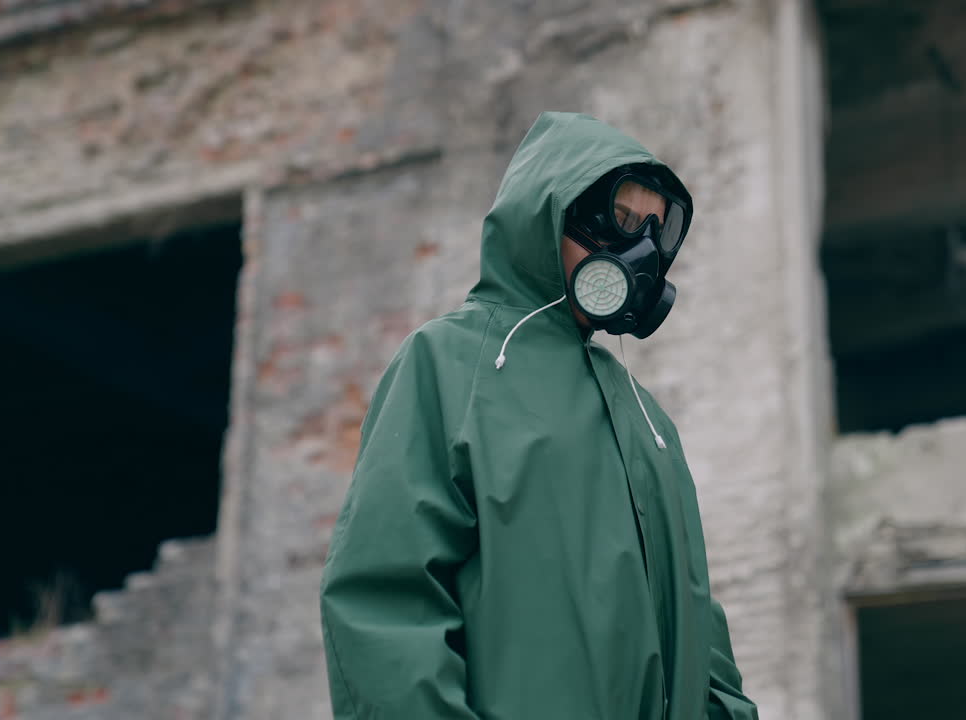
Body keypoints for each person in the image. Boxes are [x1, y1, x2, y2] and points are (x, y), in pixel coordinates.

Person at [320, 111, 758, 720]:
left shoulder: (648, 420)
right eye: (622, 222)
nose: (641, 253)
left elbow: (705, 646)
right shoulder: (449, 363)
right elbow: (385, 605)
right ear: (547, 211)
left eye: (655, 233)